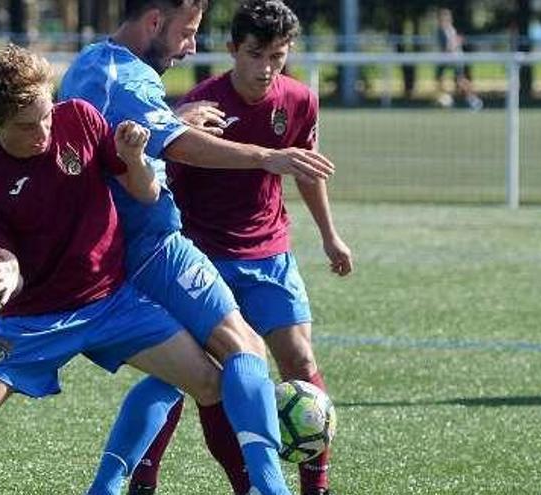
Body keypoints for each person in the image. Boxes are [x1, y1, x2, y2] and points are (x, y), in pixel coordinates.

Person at [0, 44, 230, 495]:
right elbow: (3, 253)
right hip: (36, 318)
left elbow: (145, 193)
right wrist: (8, 271)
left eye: (46, 115)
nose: (44, 131)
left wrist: (132, 158)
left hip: (112, 301)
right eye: (27, 126)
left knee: (210, 382)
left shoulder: (81, 118)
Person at [59, 1, 337, 495]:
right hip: (150, 246)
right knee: (237, 354)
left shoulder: (92, 63)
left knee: (202, 379)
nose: (191, 47)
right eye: (187, 33)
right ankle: (266, 489)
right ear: (154, 23)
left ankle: (114, 485)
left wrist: (170, 117)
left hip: (127, 246)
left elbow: (122, 136)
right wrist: (267, 157)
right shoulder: (128, 77)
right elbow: (181, 148)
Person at [435, 7, 483, 111]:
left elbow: (451, 45)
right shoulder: (443, 30)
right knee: (440, 78)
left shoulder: (449, 30)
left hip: (455, 58)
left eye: (444, 18)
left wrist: (452, 47)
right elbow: (455, 41)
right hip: (448, 59)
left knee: (460, 81)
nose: (442, 20)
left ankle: (473, 99)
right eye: (441, 18)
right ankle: (446, 99)